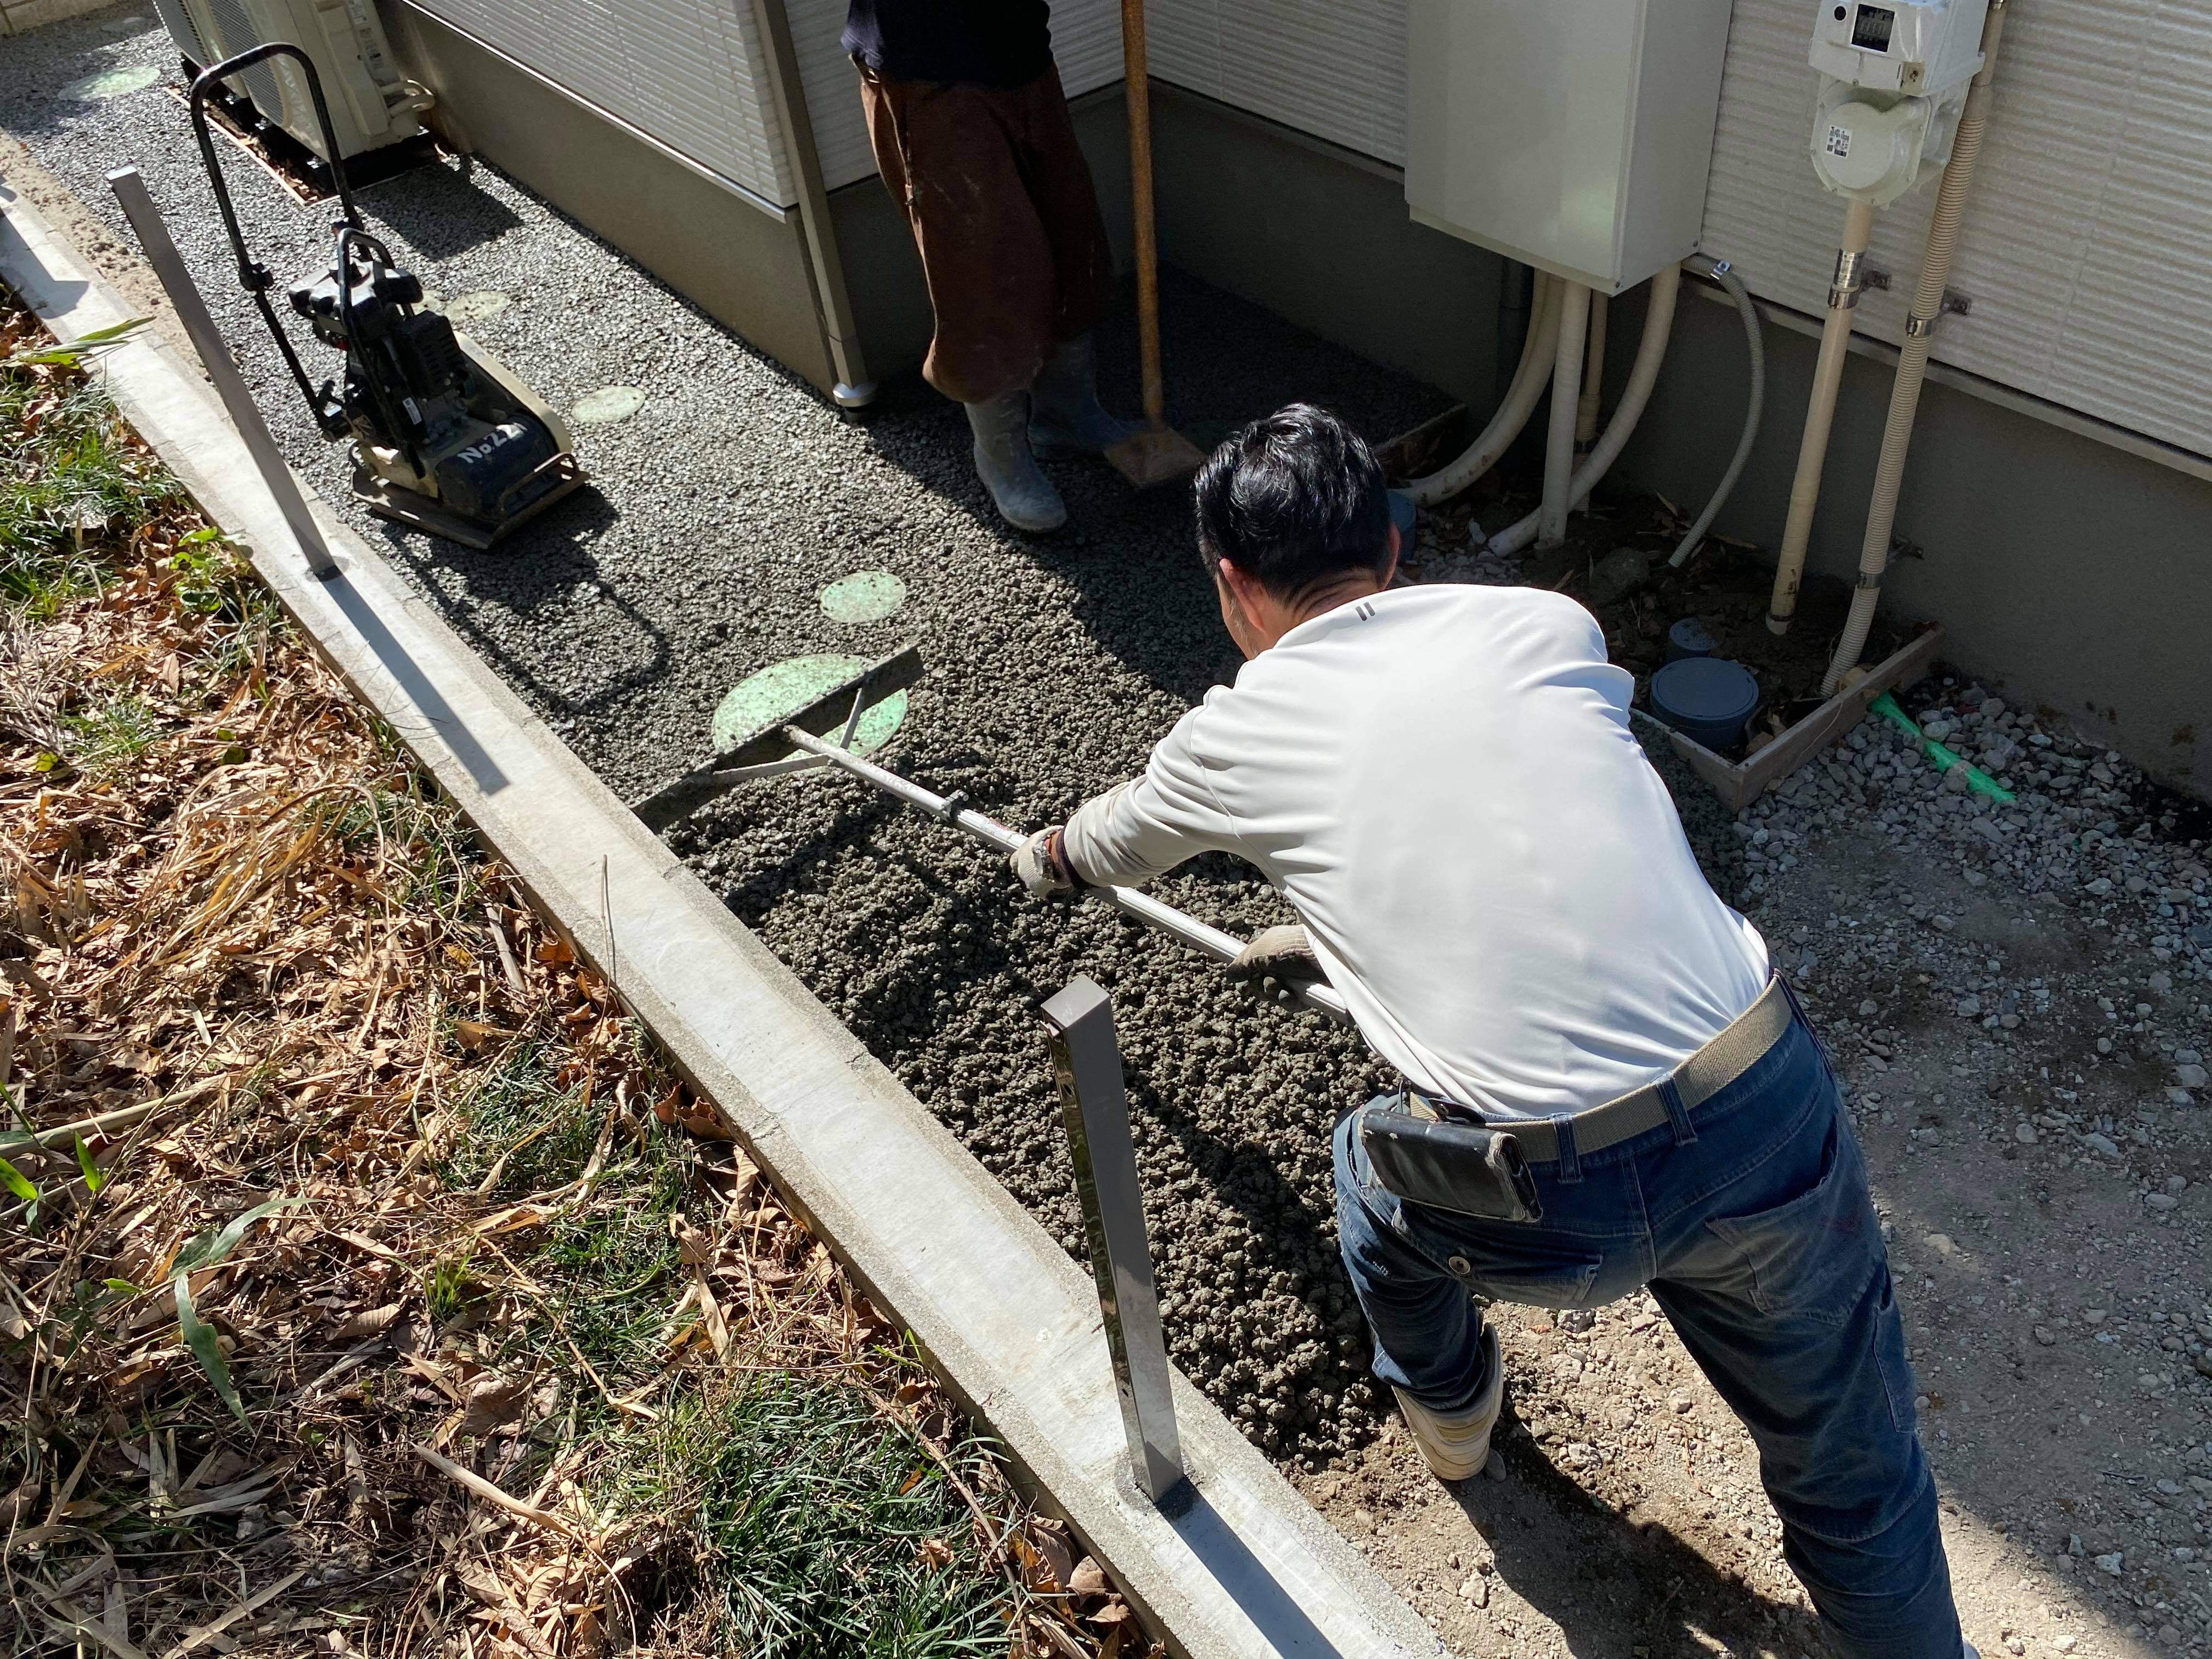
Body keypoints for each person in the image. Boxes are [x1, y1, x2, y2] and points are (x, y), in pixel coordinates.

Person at [1009, 404, 1969, 1659]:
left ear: (1233, 584)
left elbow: (1109, 842)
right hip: (1765, 1097)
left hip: (1560, 1191)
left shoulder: (1231, 739)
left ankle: (1453, 1413)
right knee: (1858, 1481)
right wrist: (1357, 937)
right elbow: (1518, 821)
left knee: (1369, 1165)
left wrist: (1044, 860)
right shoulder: (1545, 625)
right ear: (1391, 549)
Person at [844, 0, 1138, 533]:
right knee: (981, 271)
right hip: (929, 65)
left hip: (1020, 49)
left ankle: (1066, 415)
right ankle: (1001, 454)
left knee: (1074, 240)